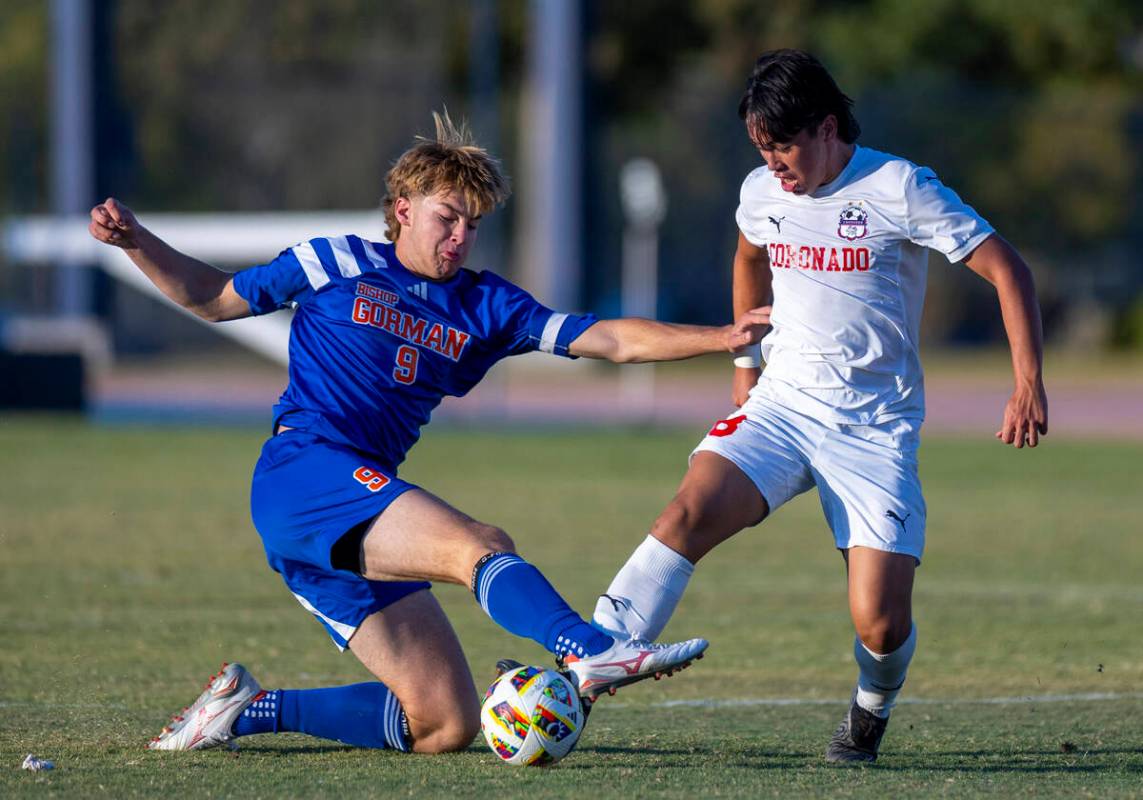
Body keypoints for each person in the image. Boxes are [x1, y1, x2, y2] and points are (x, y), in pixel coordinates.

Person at [88, 112, 772, 755]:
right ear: (403, 208)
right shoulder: (334, 261)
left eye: (472, 225)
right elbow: (213, 298)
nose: (459, 237)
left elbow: (610, 339)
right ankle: (585, 646)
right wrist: (137, 242)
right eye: (448, 217)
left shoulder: (484, 303)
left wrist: (721, 336)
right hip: (304, 475)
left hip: (359, 506)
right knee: (478, 546)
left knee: (442, 722)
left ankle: (248, 707)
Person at [589, 49, 1048, 763]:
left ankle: (869, 711)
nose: (772, 163)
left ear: (828, 127)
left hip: (872, 429)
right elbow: (748, 257)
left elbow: (1005, 267)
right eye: (760, 147)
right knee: (682, 515)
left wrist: (1026, 383)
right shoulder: (761, 194)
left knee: (880, 624)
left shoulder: (898, 187)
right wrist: (745, 367)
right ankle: (587, 665)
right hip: (781, 409)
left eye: (782, 145)